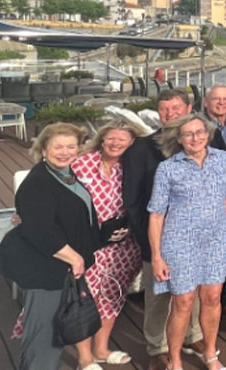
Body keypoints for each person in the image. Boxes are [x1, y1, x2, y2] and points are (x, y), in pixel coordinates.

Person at [0, 123, 100, 370]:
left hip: (62, 266)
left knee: (54, 329)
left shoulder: (66, 175)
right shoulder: (39, 182)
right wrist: (75, 258)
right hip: (46, 269)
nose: (65, 152)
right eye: (58, 147)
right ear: (43, 149)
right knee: (44, 333)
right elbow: (40, 231)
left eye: (71, 146)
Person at [120, 90, 211, 369]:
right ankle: (157, 346)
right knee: (159, 295)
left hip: (197, 235)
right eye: (164, 109)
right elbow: (133, 199)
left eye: (176, 107)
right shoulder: (140, 148)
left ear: (189, 108)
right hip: (158, 235)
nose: (170, 113)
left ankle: (192, 335)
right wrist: (146, 239)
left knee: (192, 290)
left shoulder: (205, 143)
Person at [149, 114, 226, 370]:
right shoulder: (168, 168)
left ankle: (210, 354)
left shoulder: (223, 160)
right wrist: (157, 255)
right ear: (178, 138)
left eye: (199, 132)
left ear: (207, 133)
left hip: (216, 240)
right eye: (188, 134)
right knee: (183, 302)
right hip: (179, 242)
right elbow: (156, 214)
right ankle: (175, 361)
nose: (195, 138)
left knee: (212, 297)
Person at [71, 120, 146, 369]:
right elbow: (55, 190)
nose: (115, 143)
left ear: (132, 143)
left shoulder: (133, 167)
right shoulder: (82, 163)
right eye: (110, 138)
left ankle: (101, 349)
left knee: (113, 294)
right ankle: (85, 358)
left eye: (122, 140)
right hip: (87, 242)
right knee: (85, 297)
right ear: (101, 140)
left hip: (123, 244)